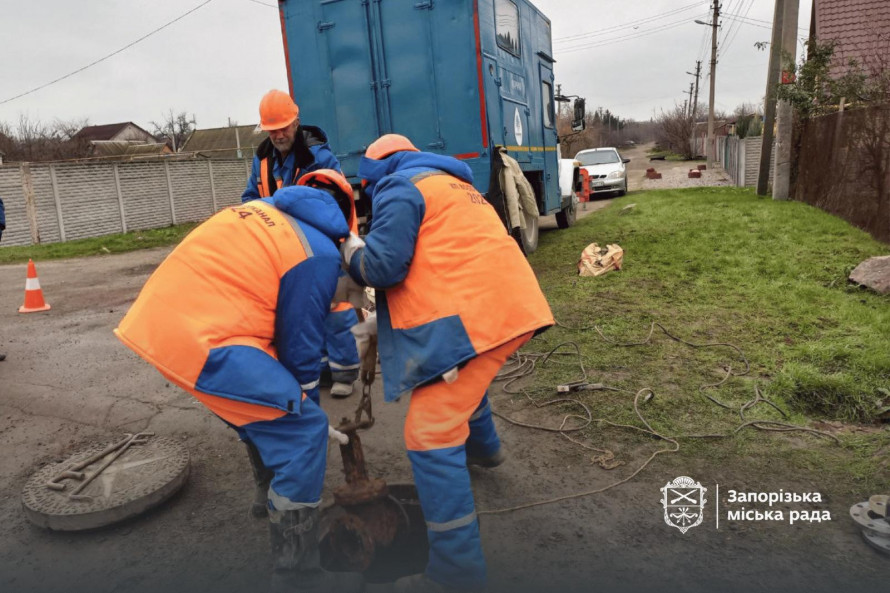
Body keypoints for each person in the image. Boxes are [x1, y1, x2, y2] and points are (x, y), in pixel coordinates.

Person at [115, 170, 364, 593]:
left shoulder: (265, 211)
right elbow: (300, 346)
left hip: (163, 321)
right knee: (303, 430)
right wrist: (306, 403)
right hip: (210, 339)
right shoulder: (319, 254)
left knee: (257, 409)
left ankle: (268, 491)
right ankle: (298, 573)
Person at [341, 134, 555, 592]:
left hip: (478, 318)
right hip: (505, 305)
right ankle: (485, 448)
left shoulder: (399, 186)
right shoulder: (451, 183)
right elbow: (439, 261)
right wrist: (383, 325)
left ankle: (456, 573)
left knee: (430, 434)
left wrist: (351, 251)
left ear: (373, 176)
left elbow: (383, 268)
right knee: (457, 378)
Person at [242, 89, 360, 399]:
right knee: (302, 310)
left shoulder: (318, 157)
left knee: (335, 306)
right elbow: (250, 197)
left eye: (283, 128)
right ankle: (320, 369)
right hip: (287, 245)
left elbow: (329, 203)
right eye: (272, 130)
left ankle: (345, 371)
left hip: (326, 241)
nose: (278, 135)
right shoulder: (262, 158)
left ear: (296, 122)